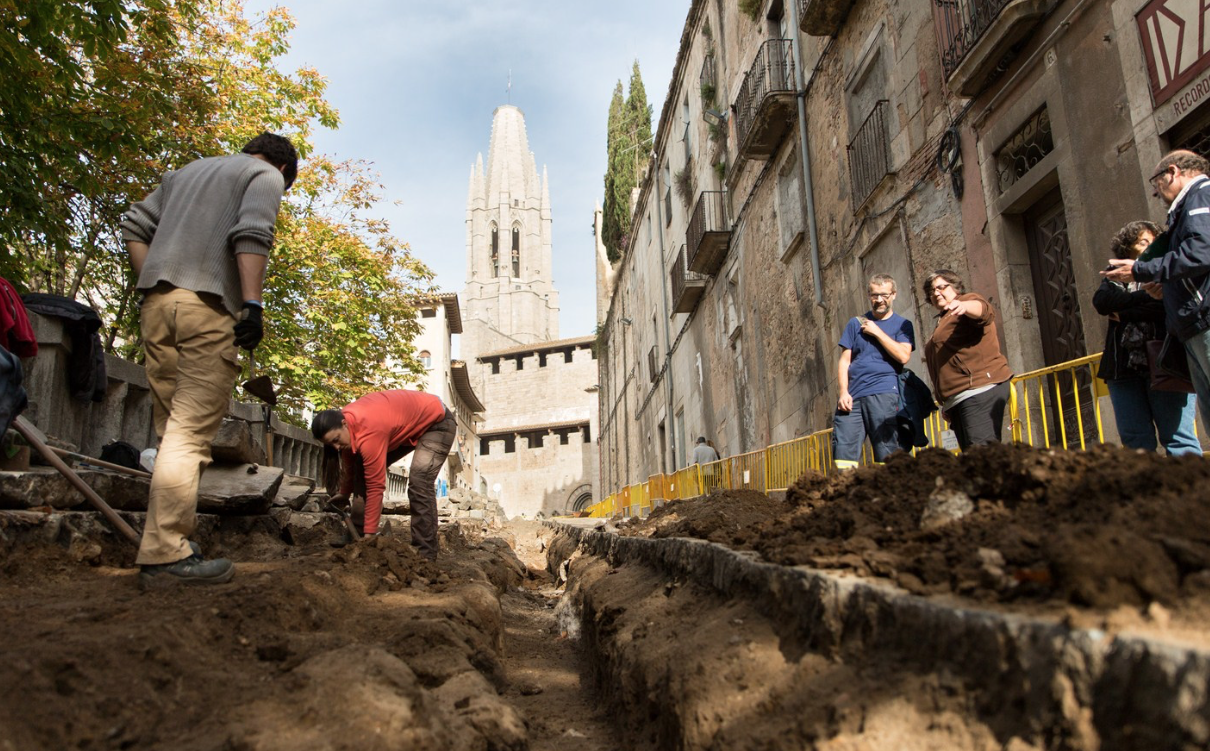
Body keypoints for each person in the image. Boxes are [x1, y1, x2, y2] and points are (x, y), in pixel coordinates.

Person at [120, 132, 298, 589]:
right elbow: (252, 234)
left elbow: (134, 226)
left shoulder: (186, 173)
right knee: (190, 433)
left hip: (157, 308)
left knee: (171, 431)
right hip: (206, 309)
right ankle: (165, 554)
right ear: (282, 170)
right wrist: (252, 305)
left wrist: (156, 283)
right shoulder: (264, 175)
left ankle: (169, 540)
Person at [1105, 149, 1210, 432]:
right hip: (1193, 325)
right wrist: (1168, 287)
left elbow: (1201, 252)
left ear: (1173, 172)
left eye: (1156, 183)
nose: (1156, 193)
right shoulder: (1188, 205)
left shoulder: (1200, 195)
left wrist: (1140, 270)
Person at [311, 389, 457, 560]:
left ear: (344, 423)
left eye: (336, 440)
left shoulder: (369, 430)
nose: (336, 447)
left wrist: (370, 535)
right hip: (407, 425)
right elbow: (350, 464)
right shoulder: (347, 429)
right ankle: (355, 534)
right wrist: (344, 492)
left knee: (419, 481)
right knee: (361, 466)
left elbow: (375, 486)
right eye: (330, 445)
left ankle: (425, 553)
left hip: (437, 423)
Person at [1094, 221, 1200, 455]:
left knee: (1178, 439)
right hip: (1122, 369)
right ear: (1127, 248)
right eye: (1143, 242)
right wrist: (1147, 298)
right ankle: (1149, 492)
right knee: (1135, 442)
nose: (1149, 247)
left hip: (1167, 364)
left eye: (1153, 242)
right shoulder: (1114, 274)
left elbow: (1164, 309)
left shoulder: (1169, 270)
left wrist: (1124, 310)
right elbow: (1102, 302)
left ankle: (1192, 490)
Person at [922, 270, 1013, 449]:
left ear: (955, 287)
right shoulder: (943, 319)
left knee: (981, 456)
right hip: (959, 398)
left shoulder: (966, 301)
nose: (936, 293)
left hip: (979, 388)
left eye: (941, 287)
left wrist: (966, 306)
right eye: (931, 291)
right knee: (973, 460)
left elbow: (985, 311)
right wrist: (946, 402)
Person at [833, 274, 914, 469]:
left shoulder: (902, 325)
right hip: (852, 397)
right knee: (843, 450)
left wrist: (878, 332)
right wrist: (843, 392)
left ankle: (889, 493)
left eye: (884, 295)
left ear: (893, 294)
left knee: (886, 449)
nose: (879, 300)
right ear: (869, 295)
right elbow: (844, 361)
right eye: (874, 295)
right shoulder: (855, 323)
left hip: (884, 393)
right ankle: (846, 493)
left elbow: (903, 356)